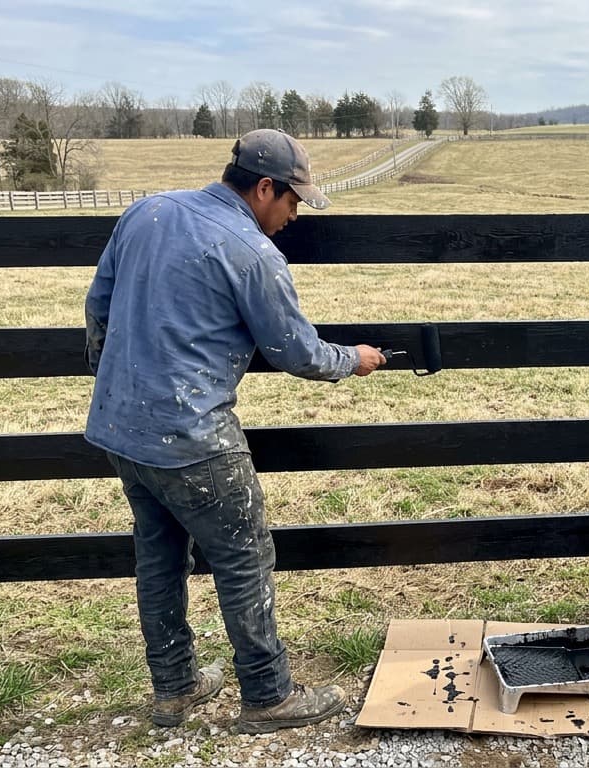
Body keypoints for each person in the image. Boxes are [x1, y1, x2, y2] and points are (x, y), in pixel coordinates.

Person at [84, 129, 386, 733]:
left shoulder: (148, 211)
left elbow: (99, 304)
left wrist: (118, 382)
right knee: (244, 557)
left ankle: (173, 690)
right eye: (293, 202)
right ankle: (268, 695)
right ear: (265, 187)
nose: (293, 216)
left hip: (121, 429)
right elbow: (296, 351)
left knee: (159, 558)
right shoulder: (251, 253)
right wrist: (354, 358)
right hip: (194, 438)